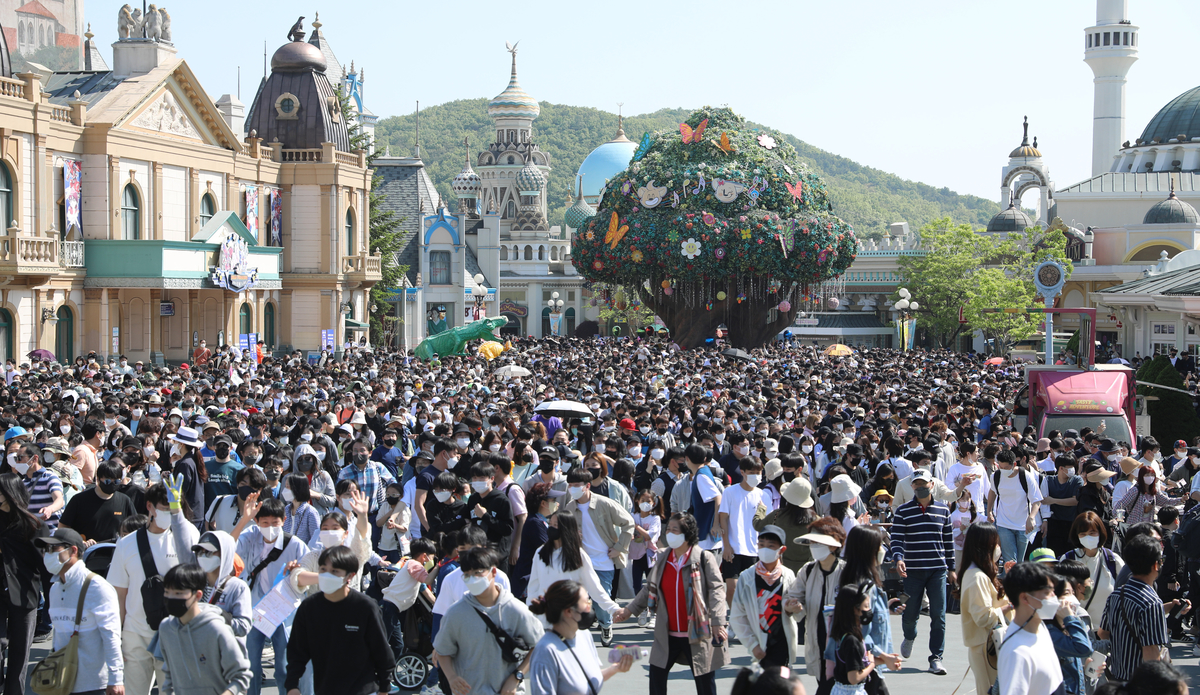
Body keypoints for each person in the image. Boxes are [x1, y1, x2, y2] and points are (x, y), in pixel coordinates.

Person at [614, 512, 729, 695]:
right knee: (657, 679)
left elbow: (717, 591)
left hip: (697, 633)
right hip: (666, 633)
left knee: (705, 685)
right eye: (669, 529)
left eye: (675, 530)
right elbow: (648, 589)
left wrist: (717, 622)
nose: (670, 533)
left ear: (688, 534)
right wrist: (629, 610)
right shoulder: (662, 558)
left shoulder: (703, 559)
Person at [107, 478, 199, 695]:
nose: (170, 513)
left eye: (174, 508)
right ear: (149, 507)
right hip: (135, 633)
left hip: (176, 633)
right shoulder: (127, 544)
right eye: (164, 508)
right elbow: (119, 594)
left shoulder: (188, 536)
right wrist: (117, 637)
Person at [432, 547, 544, 695]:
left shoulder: (516, 609)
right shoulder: (455, 613)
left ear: (493, 572)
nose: (473, 578)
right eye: (467, 574)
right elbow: (442, 651)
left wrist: (517, 676)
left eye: (478, 572)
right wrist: (452, 677)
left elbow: (539, 645)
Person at [286, 545, 395, 695]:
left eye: (335, 571)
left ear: (350, 576)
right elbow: (297, 651)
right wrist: (292, 685)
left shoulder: (365, 607)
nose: (326, 575)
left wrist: (384, 687)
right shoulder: (309, 608)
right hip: (325, 689)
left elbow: (382, 652)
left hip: (362, 689)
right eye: (323, 569)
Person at [235, 495, 311, 695]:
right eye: (265, 522)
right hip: (254, 609)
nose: (270, 527)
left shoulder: (295, 544)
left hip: (283, 611)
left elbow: (308, 572)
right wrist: (244, 520)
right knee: (250, 665)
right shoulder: (250, 536)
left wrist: (297, 570)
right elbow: (227, 549)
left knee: (283, 666)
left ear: (283, 521)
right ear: (257, 522)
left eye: (275, 523)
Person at [38, 527, 123, 695]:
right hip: (61, 681)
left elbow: (111, 635)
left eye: (53, 549)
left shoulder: (97, 587)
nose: (47, 555)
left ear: (73, 550)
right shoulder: (54, 589)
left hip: (94, 684)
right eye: (45, 550)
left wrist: (116, 678)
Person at [890, 468, 954, 676]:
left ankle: (936, 658)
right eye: (916, 484)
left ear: (932, 484)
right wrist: (898, 558)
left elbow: (949, 542)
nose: (921, 487)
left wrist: (952, 568)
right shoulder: (903, 511)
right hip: (912, 572)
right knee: (909, 615)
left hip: (938, 570)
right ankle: (909, 636)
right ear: (912, 486)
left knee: (939, 615)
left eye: (924, 484)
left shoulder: (944, 510)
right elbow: (896, 539)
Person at [560, 467, 634, 646]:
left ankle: (606, 624)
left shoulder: (604, 504)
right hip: (581, 561)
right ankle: (577, 632)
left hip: (604, 561)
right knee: (578, 599)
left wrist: (619, 548)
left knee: (603, 600)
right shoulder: (569, 507)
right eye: (570, 485)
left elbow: (628, 522)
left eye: (576, 485)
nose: (572, 488)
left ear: (587, 486)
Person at [157, 562, 252, 695]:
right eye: (167, 592)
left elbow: (241, 676)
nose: (171, 598)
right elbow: (169, 674)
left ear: (197, 595)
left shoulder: (217, 629)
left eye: (178, 593)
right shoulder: (166, 628)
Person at [527, 579, 634, 695]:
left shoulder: (584, 635)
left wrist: (615, 668)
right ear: (569, 611)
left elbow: (588, 682)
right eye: (586, 603)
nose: (590, 608)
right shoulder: (545, 651)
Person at [1098, 535, 1178, 685]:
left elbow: (1103, 633)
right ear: (1156, 565)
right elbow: (1151, 651)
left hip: (1116, 677)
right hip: (1140, 683)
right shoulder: (1151, 602)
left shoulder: (1116, 594)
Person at [525, 512, 620, 629]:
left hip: (571, 619)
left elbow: (594, 587)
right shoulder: (540, 553)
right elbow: (533, 587)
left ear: (566, 528)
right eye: (550, 524)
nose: (551, 528)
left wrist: (613, 608)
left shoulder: (579, 556)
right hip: (545, 620)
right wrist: (531, 613)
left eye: (556, 525)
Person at [0, 473, 49, 695]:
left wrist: (52, 600)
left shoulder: (33, 525)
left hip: (25, 593)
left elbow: (45, 566)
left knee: (20, 654)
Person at [729, 525, 798, 669]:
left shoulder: (788, 575)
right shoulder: (747, 577)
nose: (765, 549)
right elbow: (737, 615)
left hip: (783, 643)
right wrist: (752, 645)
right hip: (760, 644)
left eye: (771, 546)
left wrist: (792, 608)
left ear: (781, 550)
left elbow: (796, 610)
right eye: (761, 545)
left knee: (782, 684)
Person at [958, 522, 1012, 695]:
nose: (998, 548)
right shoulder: (976, 577)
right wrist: (1010, 606)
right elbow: (983, 617)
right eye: (995, 544)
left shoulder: (978, 574)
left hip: (988, 646)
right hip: (987, 648)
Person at [997, 562, 1064, 695]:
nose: (1054, 597)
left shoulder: (1041, 627)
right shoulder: (1017, 653)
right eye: (1047, 592)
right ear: (1025, 598)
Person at [1057, 511, 1124, 627]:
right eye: (1083, 534)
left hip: (1108, 630)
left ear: (1100, 533)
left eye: (1092, 533)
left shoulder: (1112, 560)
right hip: (1077, 629)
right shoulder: (1068, 559)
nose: (1088, 537)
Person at [986, 449, 1042, 574]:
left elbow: (1037, 500)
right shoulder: (996, 476)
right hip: (1004, 523)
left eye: (1006, 467)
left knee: (1019, 563)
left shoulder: (1025, 476)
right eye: (1000, 466)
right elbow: (992, 492)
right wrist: (989, 511)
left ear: (1014, 464)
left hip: (1023, 526)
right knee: (1009, 561)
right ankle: (1008, 589)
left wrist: (1031, 517)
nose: (1003, 469)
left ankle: (1016, 588)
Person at [719, 456, 767, 602]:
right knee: (732, 589)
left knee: (752, 591)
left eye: (759, 473)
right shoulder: (730, 492)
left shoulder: (763, 494)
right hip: (733, 548)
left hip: (754, 550)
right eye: (752, 472)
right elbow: (723, 518)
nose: (756, 476)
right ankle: (734, 621)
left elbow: (765, 523)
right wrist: (726, 545)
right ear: (743, 472)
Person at [58, 459, 138, 544]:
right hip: (86, 551)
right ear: (98, 479)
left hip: (115, 551)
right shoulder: (79, 500)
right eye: (107, 481)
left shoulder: (124, 500)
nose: (112, 484)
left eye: (116, 481)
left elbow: (135, 527)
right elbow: (63, 526)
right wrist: (80, 541)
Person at [191, 530, 252, 642]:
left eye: (209, 552)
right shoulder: (194, 584)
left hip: (227, 654)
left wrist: (214, 620)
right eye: (200, 552)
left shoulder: (238, 587)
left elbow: (244, 626)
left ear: (225, 553)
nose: (203, 556)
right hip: (202, 652)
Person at [756, 477, 818, 573]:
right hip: (807, 570)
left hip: (782, 568)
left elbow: (758, 525)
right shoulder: (816, 520)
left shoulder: (778, 515)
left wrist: (761, 509)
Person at [826, 581, 879, 695]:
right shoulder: (852, 641)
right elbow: (853, 678)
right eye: (866, 606)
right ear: (855, 609)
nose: (868, 610)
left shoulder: (842, 633)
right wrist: (872, 664)